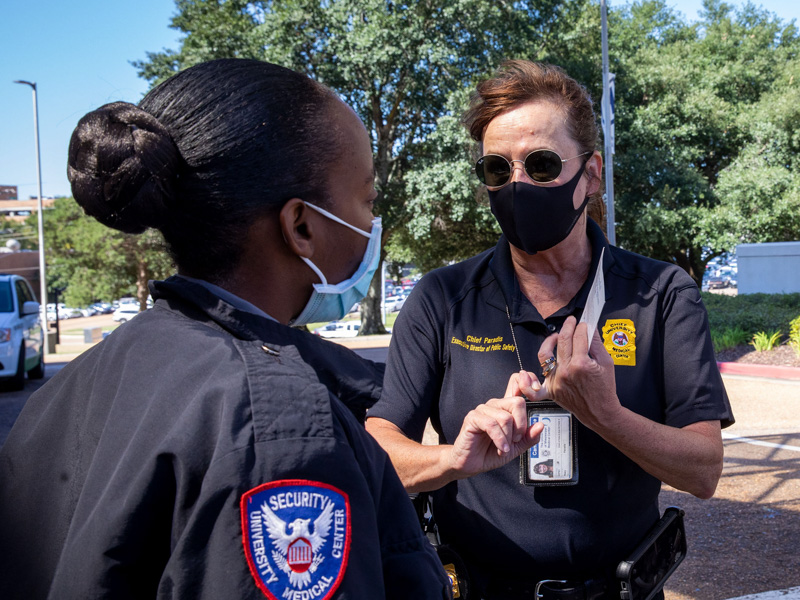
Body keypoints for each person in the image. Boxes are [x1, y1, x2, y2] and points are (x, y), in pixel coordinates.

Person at [0, 59, 450, 600]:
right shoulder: (276, 427)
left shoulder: (85, 377)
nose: (372, 226)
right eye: (367, 201)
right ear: (301, 226)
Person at [366, 60, 734, 599]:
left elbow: (704, 471)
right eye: (496, 169)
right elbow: (378, 450)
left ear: (591, 174)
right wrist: (452, 460)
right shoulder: (442, 297)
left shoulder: (660, 293)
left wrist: (604, 415)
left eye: (540, 165)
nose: (517, 184)